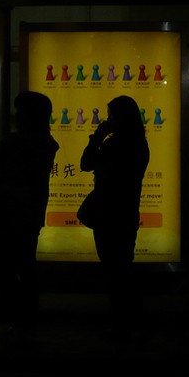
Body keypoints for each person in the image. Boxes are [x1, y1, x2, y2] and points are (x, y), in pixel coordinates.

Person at [79, 95, 149, 338]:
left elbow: (86, 163)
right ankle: (131, 321)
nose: (108, 121)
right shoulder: (139, 144)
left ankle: (122, 322)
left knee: (114, 269)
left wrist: (97, 136)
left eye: (111, 116)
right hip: (127, 211)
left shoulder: (115, 144)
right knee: (122, 267)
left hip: (109, 212)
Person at [0, 91, 58, 332]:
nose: (17, 115)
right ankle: (25, 315)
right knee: (25, 264)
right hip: (30, 211)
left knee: (12, 264)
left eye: (21, 111)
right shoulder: (45, 143)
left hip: (11, 211)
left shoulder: (16, 142)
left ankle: (16, 313)